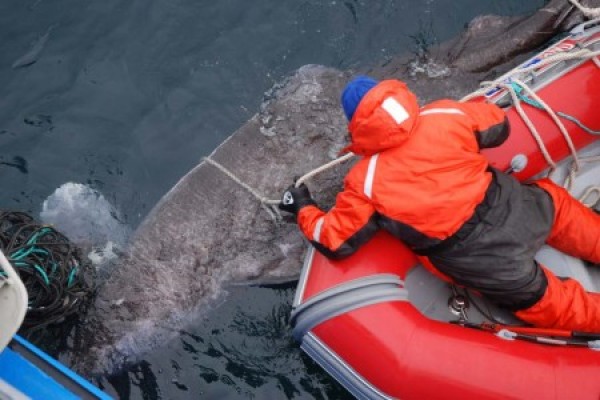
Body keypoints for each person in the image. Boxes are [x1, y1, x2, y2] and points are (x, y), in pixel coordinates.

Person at [279, 75, 600, 333]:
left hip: (484, 261)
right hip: (518, 207)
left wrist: (302, 207)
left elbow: (335, 239)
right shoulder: (444, 114)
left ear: (356, 126)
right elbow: (498, 127)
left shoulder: (365, 180)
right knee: (556, 206)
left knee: (553, 305)